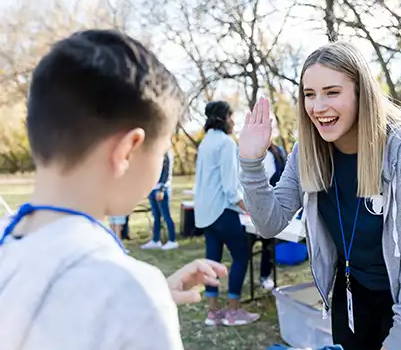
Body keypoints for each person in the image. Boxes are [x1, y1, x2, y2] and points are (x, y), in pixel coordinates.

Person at [0, 29, 228, 350]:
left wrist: (151, 294)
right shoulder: (128, 291)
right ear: (128, 150)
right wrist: (142, 302)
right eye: (161, 151)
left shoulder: (10, 245)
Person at [238, 42, 401, 350]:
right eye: (309, 95)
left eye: (332, 92)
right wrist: (251, 162)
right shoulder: (306, 152)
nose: (318, 106)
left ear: (361, 93)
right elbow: (269, 223)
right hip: (351, 291)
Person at [193, 100, 260, 327]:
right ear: (223, 118)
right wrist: (249, 209)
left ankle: (213, 312)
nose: (233, 121)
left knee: (212, 261)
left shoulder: (205, 143)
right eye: (232, 117)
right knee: (241, 255)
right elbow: (231, 187)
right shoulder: (226, 143)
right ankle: (233, 311)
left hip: (205, 214)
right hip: (222, 211)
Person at [259, 142, 287, 290]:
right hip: (276, 203)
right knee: (267, 243)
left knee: (266, 243)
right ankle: (265, 275)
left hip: (267, 204)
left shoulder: (268, 154)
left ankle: (265, 276)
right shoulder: (278, 152)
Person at [141, 150, 179, 250]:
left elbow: (167, 173)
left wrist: (162, 189)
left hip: (162, 189)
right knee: (156, 216)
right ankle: (155, 240)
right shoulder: (156, 153)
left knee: (166, 216)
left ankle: (172, 240)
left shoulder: (167, 153)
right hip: (153, 188)